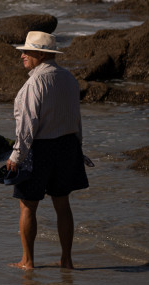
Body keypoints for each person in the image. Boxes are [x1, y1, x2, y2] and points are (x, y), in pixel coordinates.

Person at [6, 31, 88, 270]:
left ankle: (27, 261)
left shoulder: (35, 82)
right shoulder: (69, 78)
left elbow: (27, 124)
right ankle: (67, 260)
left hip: (40, 147)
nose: (22, 55)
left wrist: (16, 155)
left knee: (27, 205)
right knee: (62, 205)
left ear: (41, 55)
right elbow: (76, 117)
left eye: (27, 51)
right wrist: (78, 148)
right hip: (67, 145)